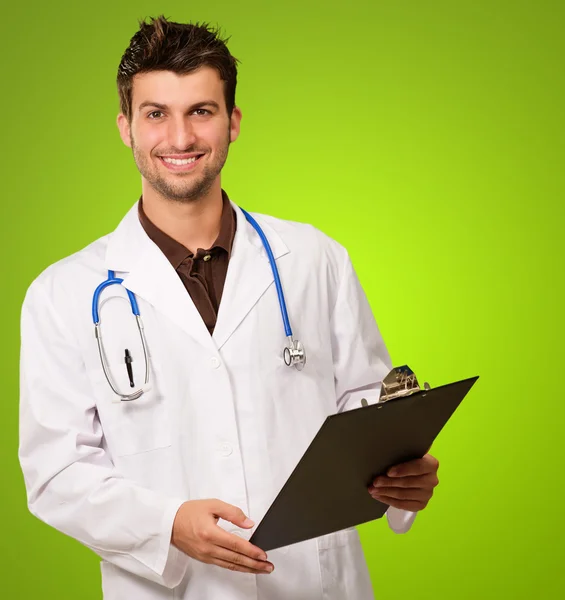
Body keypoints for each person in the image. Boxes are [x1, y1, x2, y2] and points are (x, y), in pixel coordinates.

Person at [18, 15, 440, 600]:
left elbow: (362, 407)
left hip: (317, 584)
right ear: (126, 127)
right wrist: (166, 524)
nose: (181, 138)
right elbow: (57, 474)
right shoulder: (62, 295)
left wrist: (401, 475)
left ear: (232, 121)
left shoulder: (314, 259)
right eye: (156, 113)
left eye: (201, 111)